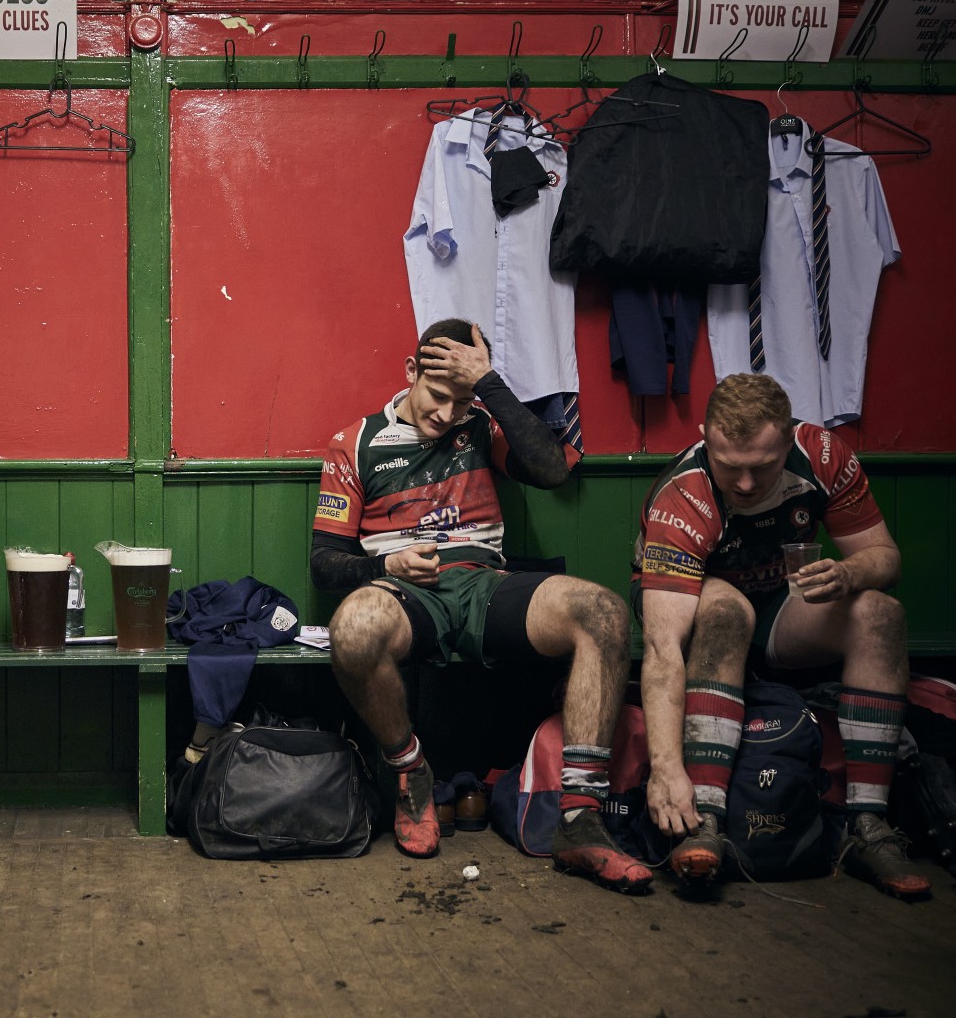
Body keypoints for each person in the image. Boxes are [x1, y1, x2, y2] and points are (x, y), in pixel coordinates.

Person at [312, 318, 652, 894]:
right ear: (410, 372)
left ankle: (579, 818)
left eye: (461, 399)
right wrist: (384, 567)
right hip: (404, 591)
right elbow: (325, 563)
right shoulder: (356, 443)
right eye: (438, 395)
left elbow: (551, 468)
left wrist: (487, 386)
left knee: (603, 611)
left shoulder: (482, 426)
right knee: (353, 627)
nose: (447, 414)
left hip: (484, 586)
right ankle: (410, 773)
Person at [634, 372, 929, 899]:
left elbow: (885, 558)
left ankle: (869, 828)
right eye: (731, 467)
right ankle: (705, 821)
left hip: (782, 610)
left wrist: (849, 574)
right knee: (727, 611)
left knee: (880, 614)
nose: (746, 484)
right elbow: (661, 650)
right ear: (705, 435)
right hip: (701, 605)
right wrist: (664, 769)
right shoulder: (684, 495)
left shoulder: (821, 454)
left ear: (788, 439)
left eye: (762, 467)